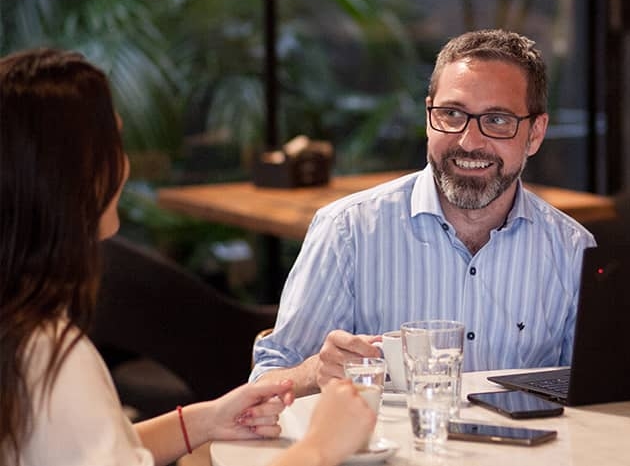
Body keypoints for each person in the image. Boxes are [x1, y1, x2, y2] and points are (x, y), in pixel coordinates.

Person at [0, 49, 375, 466]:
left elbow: (85, 447)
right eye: (115, 145)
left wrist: (205, 420)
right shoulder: (48, 355)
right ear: (74, 172)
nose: (124, 167)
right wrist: (323, 445)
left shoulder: (20, 332)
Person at [251, 29, 596, 394]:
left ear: (536, 133)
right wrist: (315, 371)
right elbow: (264, 384)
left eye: (497, 120)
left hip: (529, 451)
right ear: (428, 114)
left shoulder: (572, 249)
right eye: (451, 114)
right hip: (389, 451)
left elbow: (596, 394)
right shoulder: (348, 232)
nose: (469, 141)